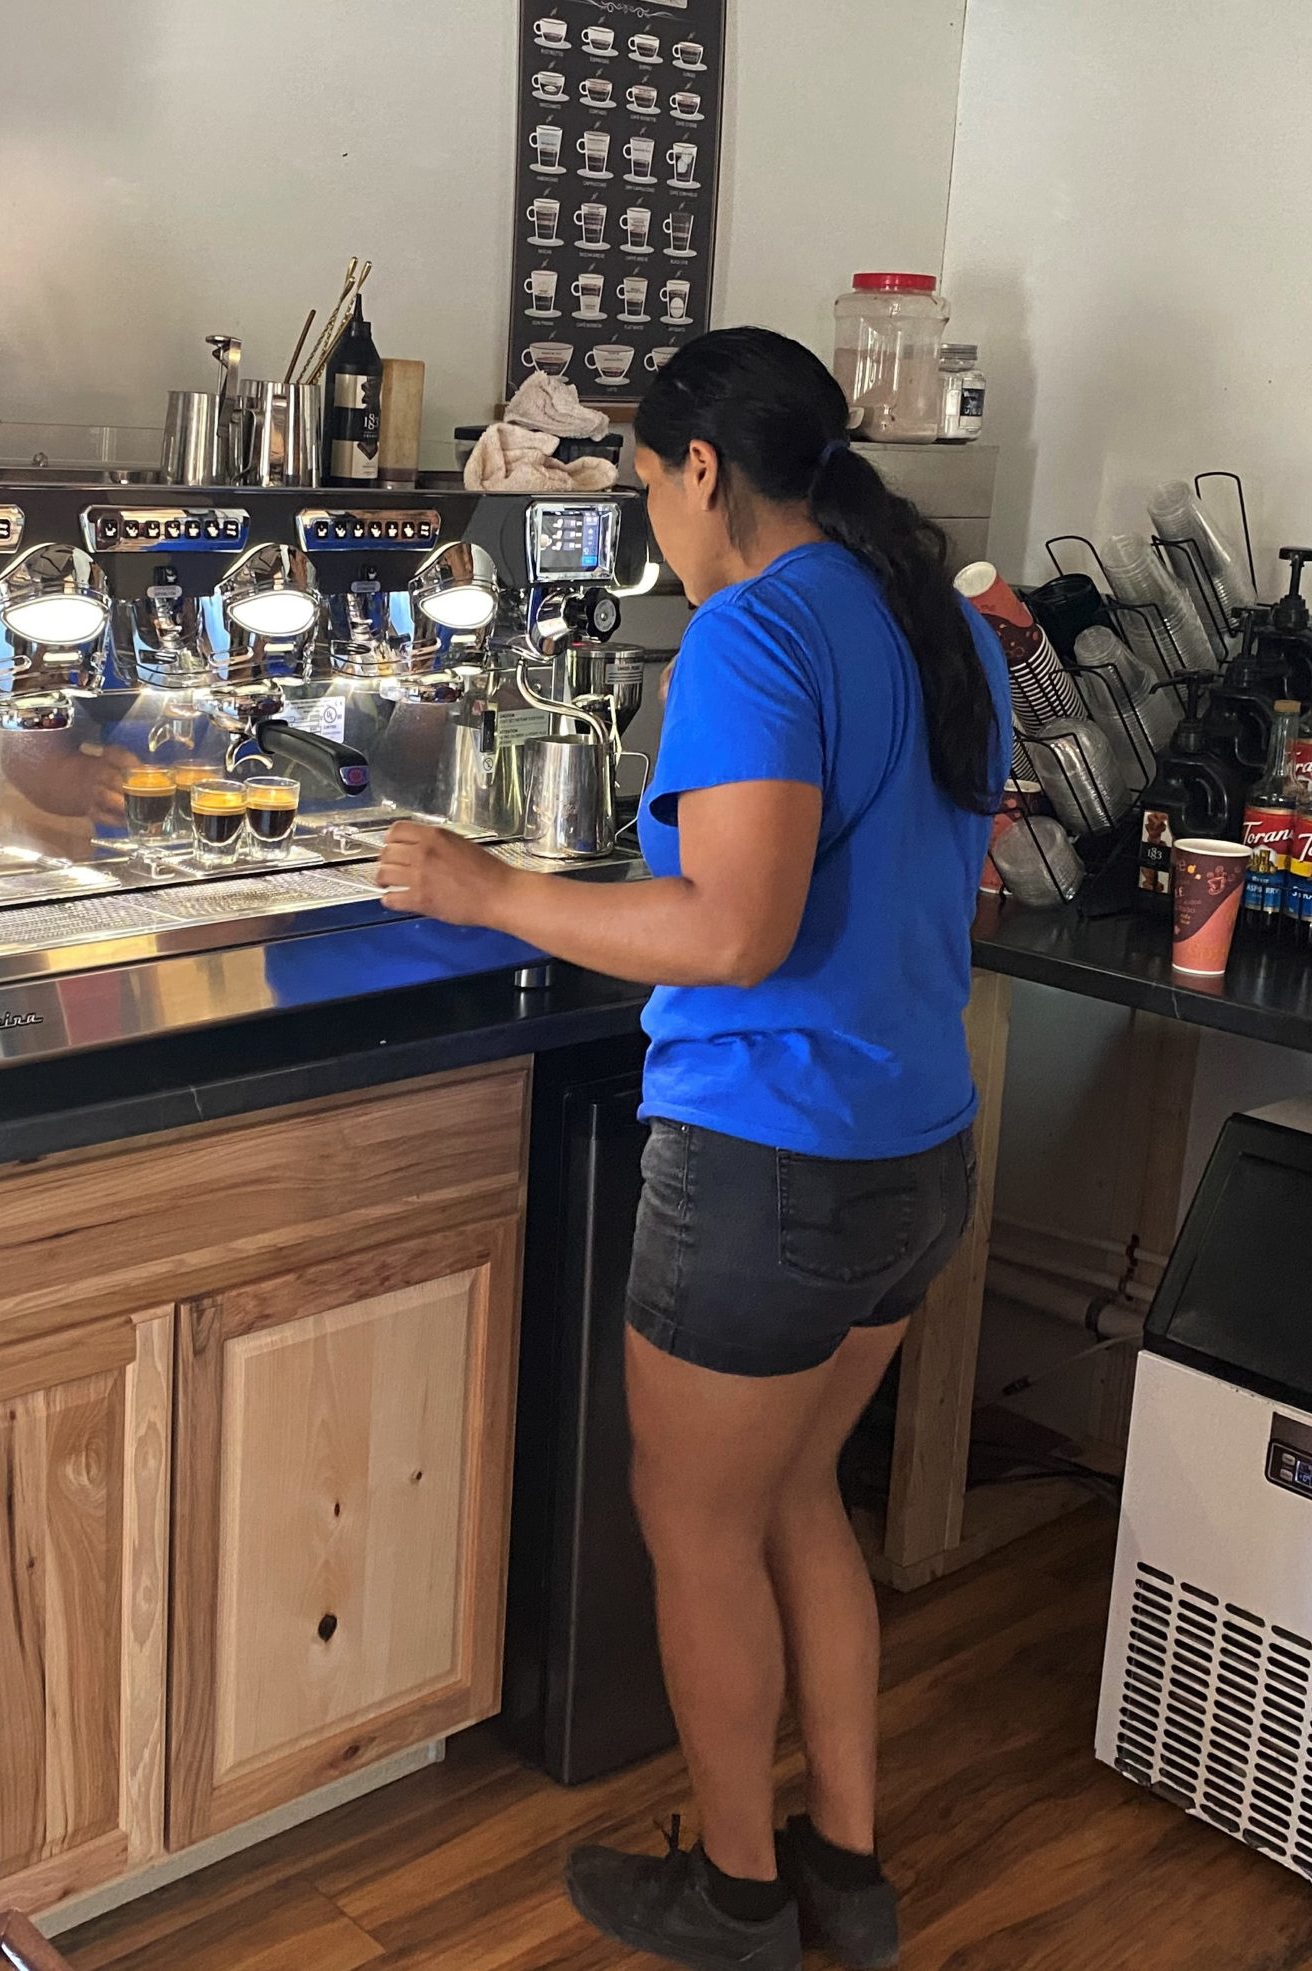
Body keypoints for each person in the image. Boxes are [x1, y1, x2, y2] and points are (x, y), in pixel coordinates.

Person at [374, 325, 1008, 1971]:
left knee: (702, 1528)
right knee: (800, 1496)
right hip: (916, 1149)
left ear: (704, 471)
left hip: (770, 1163)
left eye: (649, 488)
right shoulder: (936, 619)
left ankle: (734, 1899)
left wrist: (485, 891)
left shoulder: (753, 631)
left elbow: (733, 931)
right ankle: (846, 1875)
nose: (653, 525)